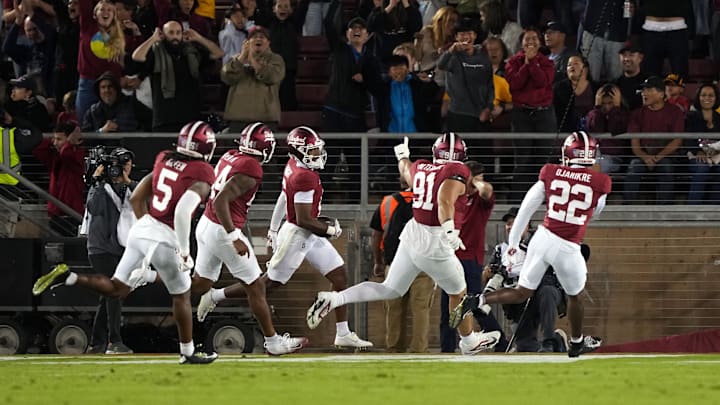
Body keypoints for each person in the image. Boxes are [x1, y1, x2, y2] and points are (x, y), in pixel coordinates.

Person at [32, 121, 219, 364]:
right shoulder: (203, 171)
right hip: (166, 237)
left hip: (141, 231)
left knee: (117, 288)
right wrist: (184, 251)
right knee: (181, 295)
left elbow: (138, 198)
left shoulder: (164, 158)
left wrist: (147, 228)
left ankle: (70, 277)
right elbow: (183, 212)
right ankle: (188, 352)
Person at [306, 133, 501, 355]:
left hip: (412, 233)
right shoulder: (457, 171)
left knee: (390, 288)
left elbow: (405, 169)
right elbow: (444, 200)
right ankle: (468, 342)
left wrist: (402, 155)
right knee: (459, 291)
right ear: (460, 155)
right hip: (434, 238)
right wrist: (448, 229)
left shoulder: (421, 167)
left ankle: (334, 298)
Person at [196, 126, 373, 349]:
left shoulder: (293, 166)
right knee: (267, 284)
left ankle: (343, 333)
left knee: (339, 277)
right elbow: (303, 220)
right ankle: (215, 296)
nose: (318, 156)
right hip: (298, 234)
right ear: (298, 151)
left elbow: (283, 196)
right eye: (312, 151)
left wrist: (271, 228)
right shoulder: (303, 176)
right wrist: (331, 231)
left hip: (308, 233)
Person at [450, 131, 611, 358]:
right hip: (568, 245)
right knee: (576, 296)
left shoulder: (551, 173)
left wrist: (513, 244)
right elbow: (595, 212)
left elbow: (526, 208)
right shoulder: (601, 182)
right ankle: (575, 343)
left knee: (521, 291)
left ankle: (479, 299)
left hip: (542, 238)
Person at [187, 122, 307, 355]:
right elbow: (222, 200)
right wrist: (234, 236)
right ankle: (273, 343)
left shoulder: (230, 155)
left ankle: (150, 276)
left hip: (206, 224)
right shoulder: (252, 167)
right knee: (256, 287)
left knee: (200, 283)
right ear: (265, 148)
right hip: (222, 229)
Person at [439, 160, 507, 353]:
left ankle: (501, 342)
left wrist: (475, 181)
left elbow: (487, 191)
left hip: (470, 259)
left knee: (475, 304)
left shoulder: (480, 200)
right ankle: (447, 349)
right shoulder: (457, 195)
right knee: (448, 307)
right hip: (450, 257)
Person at [83, 147, 137, 354]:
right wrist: (97, 181)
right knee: (114, 291)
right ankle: (114, 341)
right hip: (101, 248)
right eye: (119, 164)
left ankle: (95, 344)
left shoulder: (132, 186)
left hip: (120, 247)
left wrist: (128, 183)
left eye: (127, 164)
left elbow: (149, 199)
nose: (123, 168)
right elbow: (93, 208)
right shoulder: (101, 187)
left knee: (107, 296)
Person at [370, 178, 433, 353]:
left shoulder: (388, 202)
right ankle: (419, 349)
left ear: (400, 182)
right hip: (423, 264)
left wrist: (378, 262)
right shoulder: (431, 202)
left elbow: (376, 235)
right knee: (421, 309)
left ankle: (393, 348)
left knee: (394, 309)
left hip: (396, 263)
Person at [222, 26, 285, 131]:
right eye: (254, 37)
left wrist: (252, 60)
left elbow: (272, 77)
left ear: (268, 43)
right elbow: (226, 77)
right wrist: (242, 58)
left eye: (262, 37)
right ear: (247, 42)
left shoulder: (276, 59)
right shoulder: (236, 59)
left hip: (266, 120)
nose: (258, 39)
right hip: (237, 120)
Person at [32, 121, 86, 236]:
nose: (55, 143)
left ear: (70, 139)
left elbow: (66, 154)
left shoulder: (78, 154)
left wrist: (70, 143)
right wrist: (51, 140)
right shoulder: (55, 157)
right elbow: (38, 150)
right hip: (56, 212)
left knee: (71, 249)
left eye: (59, 139)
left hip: (72, 212)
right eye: (54, 139)